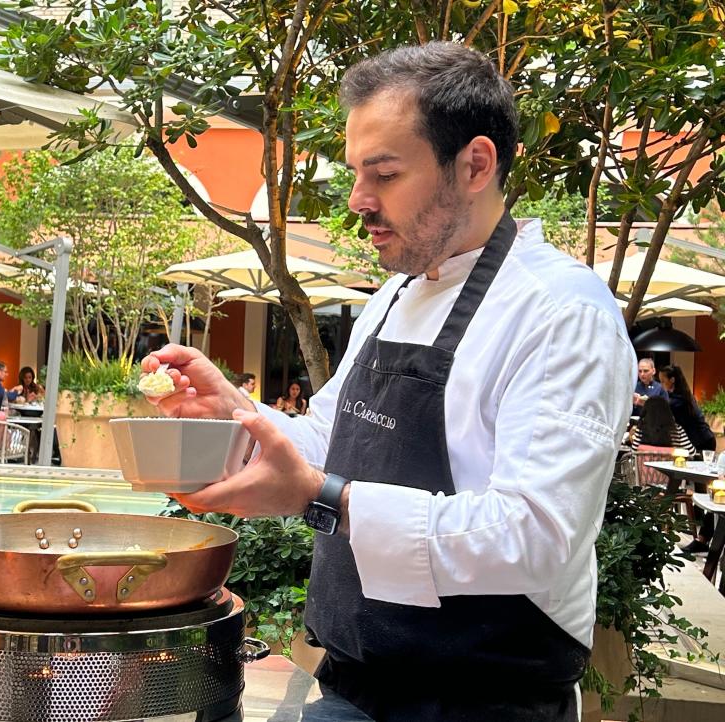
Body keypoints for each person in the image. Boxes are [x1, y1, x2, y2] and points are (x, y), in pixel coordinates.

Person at [138, 42, 635, 721]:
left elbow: (536, 537)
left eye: (385, 173)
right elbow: (325, 439)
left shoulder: (560, 313)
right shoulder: (396, 295)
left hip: (487, 701)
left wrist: (324, 501)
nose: (357, 200)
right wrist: (234, 409)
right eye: (355, 172)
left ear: (475, 165)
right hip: (355, 684)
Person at [659, 364, 717, 554]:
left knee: (704, 491)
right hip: (702, 441)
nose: (662, 384)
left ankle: (703, 536)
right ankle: (701, 534)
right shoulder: (681, 397)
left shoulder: (678, 401)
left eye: (663, 380)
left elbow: (662, 413)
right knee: (699, 489)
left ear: (672, 380)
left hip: (703, 444)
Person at [628, 396, 695, 454]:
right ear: (667, 411)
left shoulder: (641, 430)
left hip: (644, 468)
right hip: (669, 468)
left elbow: (634, 452)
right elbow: (691, 452)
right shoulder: (677, 430)